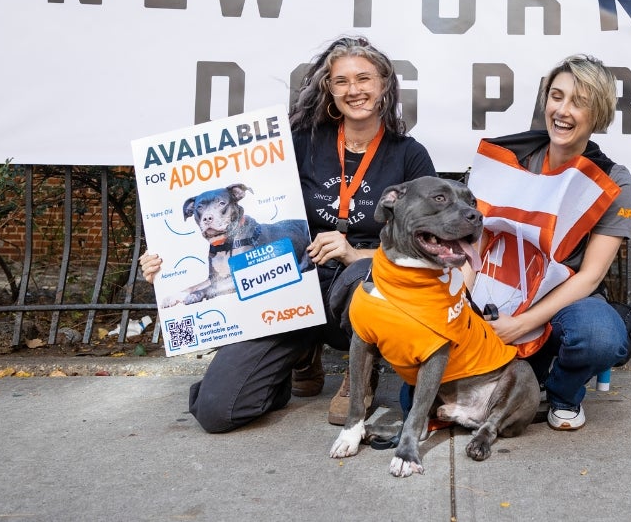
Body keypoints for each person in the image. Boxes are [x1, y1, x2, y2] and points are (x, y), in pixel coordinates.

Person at [139, 36, 436, 433]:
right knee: (217, 410)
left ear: (384, 84)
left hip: (363, 288)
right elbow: (248, 218)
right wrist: (166, 261)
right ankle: (295, 358)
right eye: (342, 81)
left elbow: (425, 249)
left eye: (363, 78)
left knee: (357, 277)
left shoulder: (409, 155)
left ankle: (359, 368)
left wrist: (354, 255)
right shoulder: (299, 144)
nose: (354, 90)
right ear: (329, 89)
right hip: (292, 288)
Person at [465, 53, 631, 432]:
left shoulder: (613, 181)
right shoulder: (505, 157)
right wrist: (461, 308)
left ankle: (562, 393)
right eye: (556, 96)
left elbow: (589, 277)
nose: (562, 110)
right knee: (414, 400)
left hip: (561, 302)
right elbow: (469, 245)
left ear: (599, 113)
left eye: (579, 102)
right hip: (490, 290)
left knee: (601, 337)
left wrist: (520, 324)